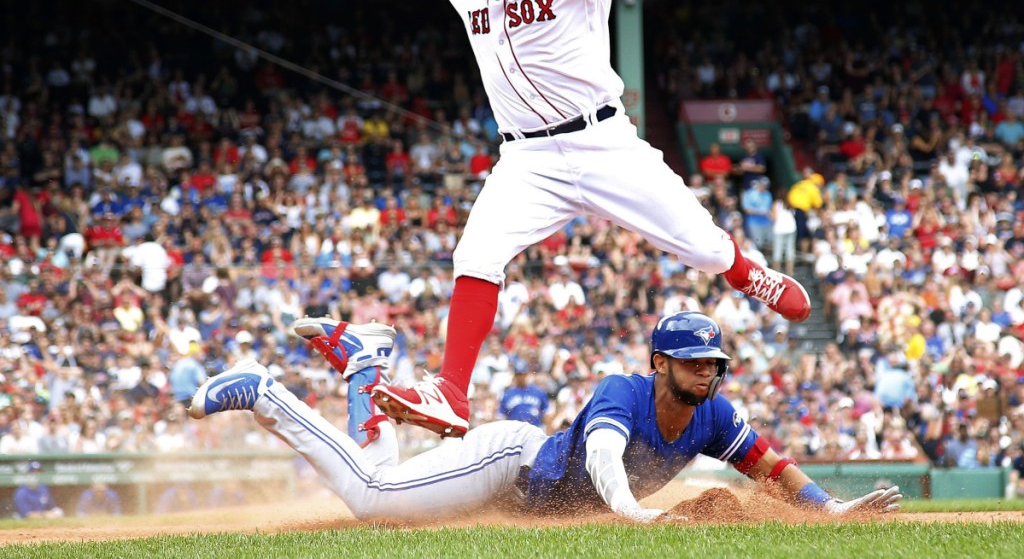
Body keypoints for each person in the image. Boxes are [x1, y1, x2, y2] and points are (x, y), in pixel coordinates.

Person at [318, 0, 811, 437]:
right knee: (476, 253)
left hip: (601, 140)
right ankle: (452, 393)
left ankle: (751, 275)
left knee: (700, 245)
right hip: (527, 158)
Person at [189, 312, 899, 522]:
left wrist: (829, 509)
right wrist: (634, 513)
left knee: (382, 481)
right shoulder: (622, 391)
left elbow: (769, 463)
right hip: (509, 464)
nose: (708, 373)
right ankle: (263, 391)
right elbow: (601, 462)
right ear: (661, 363)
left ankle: (362, 362)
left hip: (520, 496)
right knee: (373, 501)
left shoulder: (713, 414)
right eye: (694, 362)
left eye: (713, 363)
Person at [499, 361, 551, 428]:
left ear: (526, 374)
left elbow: (546, 414)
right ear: (515, 375)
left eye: (522, 374)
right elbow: (502, 416)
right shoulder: (508, 394)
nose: (520, 377)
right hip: (515, 432)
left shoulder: (538, 392)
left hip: (536, 430)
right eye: (518, 374)